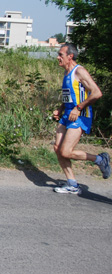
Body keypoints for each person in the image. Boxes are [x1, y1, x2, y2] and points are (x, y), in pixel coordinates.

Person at [52, 44, 109, 194]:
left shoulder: (80, 71)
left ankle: (100, 160)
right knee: (58, 149)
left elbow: (97, 93)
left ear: (70, 56)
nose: (58, 57)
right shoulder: (66, 73)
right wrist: (61, 108)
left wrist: (78, 108)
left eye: (61, 55)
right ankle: (72, 184)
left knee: (66, 151)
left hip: (80, 116)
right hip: (67, 115)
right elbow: (69, 96)